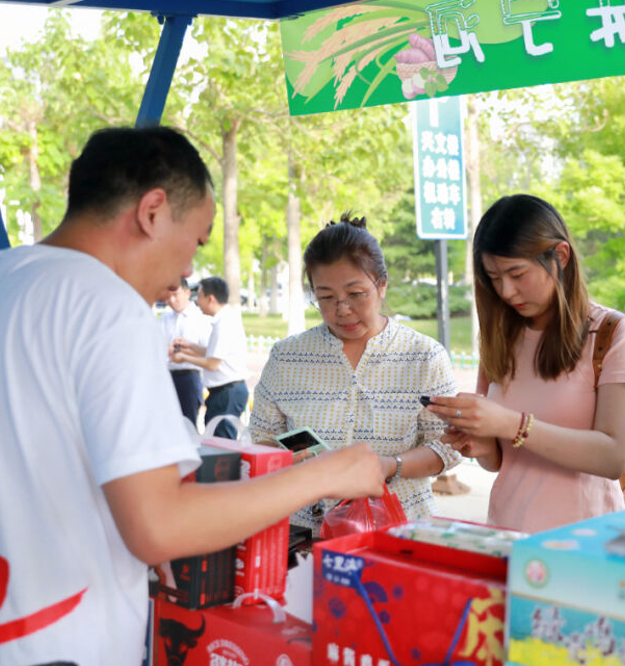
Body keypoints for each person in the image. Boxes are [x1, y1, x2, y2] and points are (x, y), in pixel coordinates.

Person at [0, 126, 384, 665]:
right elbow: (158, 527)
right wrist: (328, 473)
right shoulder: (109, 307)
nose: (188, 271)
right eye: (197, 241)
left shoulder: (11, 278)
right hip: (61, 644)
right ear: (152, 211)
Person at [428, 194, 625, 533]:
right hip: (507, 534)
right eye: (494, 277)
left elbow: (613, 458)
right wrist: (477, 440)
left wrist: (510, 424)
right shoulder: (500, 337)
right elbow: (498, 463)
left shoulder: (614, 333)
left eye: (517, 273)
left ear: (560, 256)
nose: (506, 291)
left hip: (586, 543)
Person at [248, 214, 463, 531]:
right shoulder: (287, 357)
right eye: (326, 297)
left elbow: (448, 445)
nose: (342, 309)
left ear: (382, 285)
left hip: (398, 531)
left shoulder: (424, 356)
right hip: (305, 532)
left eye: (356, 294)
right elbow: (261, 440)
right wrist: (295, 462)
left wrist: (388, 466)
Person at [171, 276, 249, 439]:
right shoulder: (224, 319)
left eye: (199, 296)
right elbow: (212, 353)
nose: (197, 302)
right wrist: (189, 346)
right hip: (226, 391)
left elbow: (212, 363)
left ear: (210, 298)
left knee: (222, 446)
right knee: (216, 441)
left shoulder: (224, 323)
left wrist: (184, 358)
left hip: (227, 392)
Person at [159, 278, 211, 424]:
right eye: (168, 296)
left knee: (188, 423)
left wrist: (184, 353)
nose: (172, 300)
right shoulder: (164, 319)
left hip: (189, 377)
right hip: (167, 376)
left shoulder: (201, 319)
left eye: (176, 295)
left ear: (187, 293)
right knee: (166, 423)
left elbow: (208, 352)